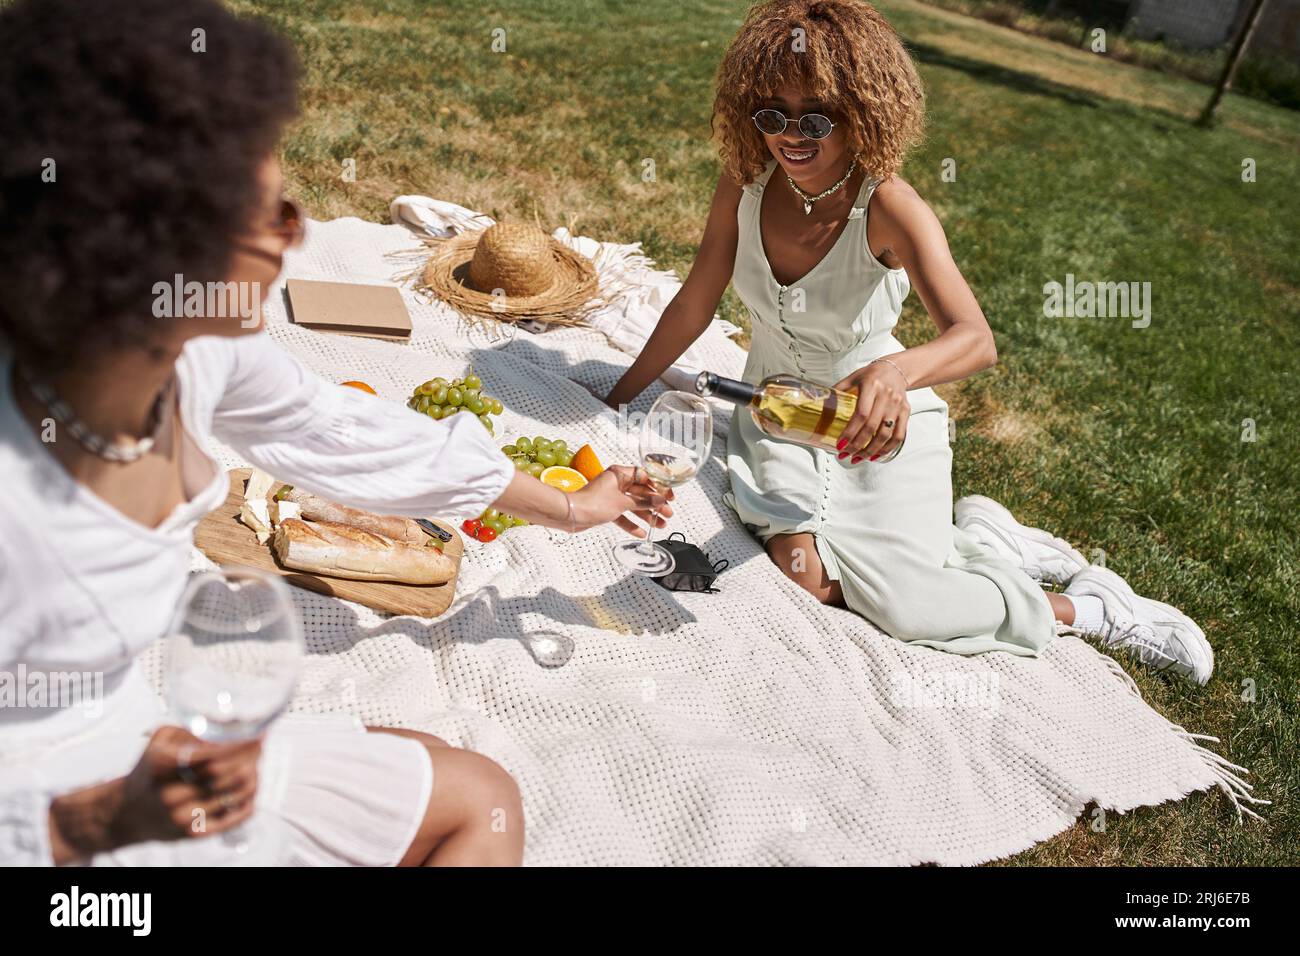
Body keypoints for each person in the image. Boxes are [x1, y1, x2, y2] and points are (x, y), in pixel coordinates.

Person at [0, 0, 671, 866]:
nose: (303, 235)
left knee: (479, 797)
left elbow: (341, 431)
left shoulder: (190, 353)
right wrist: (91, 824)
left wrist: (571, 509)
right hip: (52, 823)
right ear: (149, 246)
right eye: (276, 216)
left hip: (145, 752)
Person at [605, 0, 1211, 683]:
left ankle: (1086, 608)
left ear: (861, 111)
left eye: (815, 117)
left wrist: (895, 372)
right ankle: (981, 542)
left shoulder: (889, 206)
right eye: (771, 114)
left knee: (907, 604)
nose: (788, 136)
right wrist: (616, 395)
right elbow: (696, 299)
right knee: (806, 576)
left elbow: (975, 339)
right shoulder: (746, 181)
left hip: (879, 425)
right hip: (780, 419)